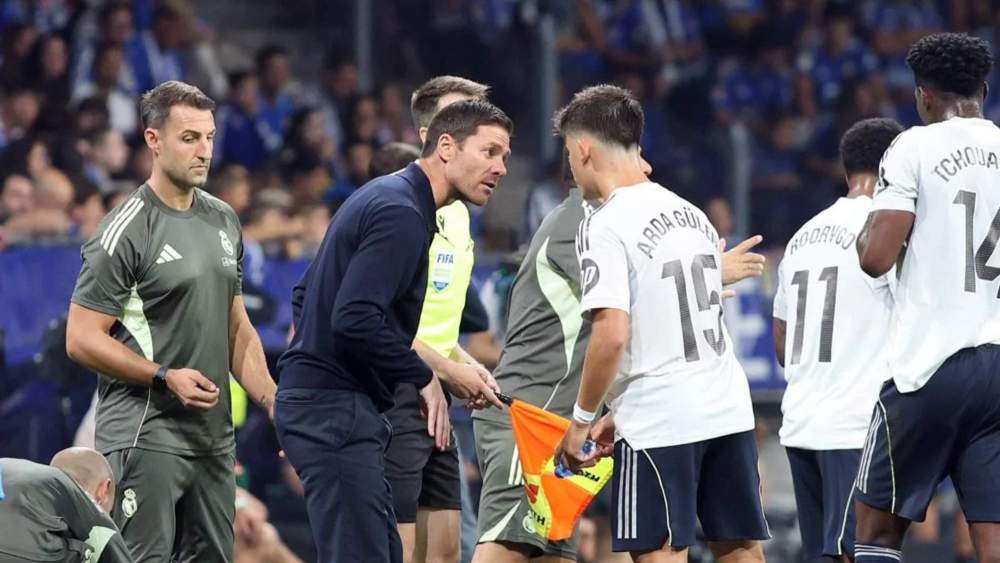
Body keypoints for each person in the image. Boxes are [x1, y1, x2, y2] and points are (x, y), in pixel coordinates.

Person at [273, 99, 513, 563]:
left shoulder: (393, 198)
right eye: (489, 152)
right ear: (446, 146)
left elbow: (308, 295)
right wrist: (425, 377)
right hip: (336, 410)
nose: (501, 167)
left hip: (336, 407)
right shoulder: (401, 211)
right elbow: (355, 318)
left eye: (504, 156)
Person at [553, 85, 770, 563]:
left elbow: (611, 333)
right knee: (740, 549)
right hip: (726, 405)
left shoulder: (603, 223)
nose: (570, 165)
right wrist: (618, 411)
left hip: (660, 418)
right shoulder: (689, 212)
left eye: (569, 153)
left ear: (584, 149)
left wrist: (583, 421)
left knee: (660, 554)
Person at [65, 80, 277, 563]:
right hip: (145, 435)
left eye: (209, 137)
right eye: (189, 138)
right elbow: (80, 339)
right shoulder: (126, 228)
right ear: (153, 140)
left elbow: (237, 326)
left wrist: (272, 399)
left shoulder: (223, 219)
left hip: (213, 438)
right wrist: (163, 375)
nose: (204, 151)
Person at [854, 32, 1000, 563]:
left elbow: (876, 256)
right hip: (998, 363)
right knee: (993, 539)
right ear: (983, 89)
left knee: (874, 530)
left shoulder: (914, 145)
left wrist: (866, 232)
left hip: (930, 366)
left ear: (923, 97)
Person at [382, 75, 504, 563]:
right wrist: (444, 369)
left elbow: (435, 324)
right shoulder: (399, 208)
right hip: (393, 391)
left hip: (436, 399)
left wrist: (464, 365)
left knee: (449, 549)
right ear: (436, 135)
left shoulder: (458, 215)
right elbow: (376, 320)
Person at [772, 117, 903, 563]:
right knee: (859, 553)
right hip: (855, 425)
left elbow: (781, 342)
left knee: (821, 556)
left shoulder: (802, 236)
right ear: (894, 168)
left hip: (802, 421)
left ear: (847, 173)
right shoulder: (891, 232)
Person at [0, 447, 133, 563]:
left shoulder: (40, 480)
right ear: (103, 490)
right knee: (94, 548)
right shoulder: (79, 496)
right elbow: (109, 543)